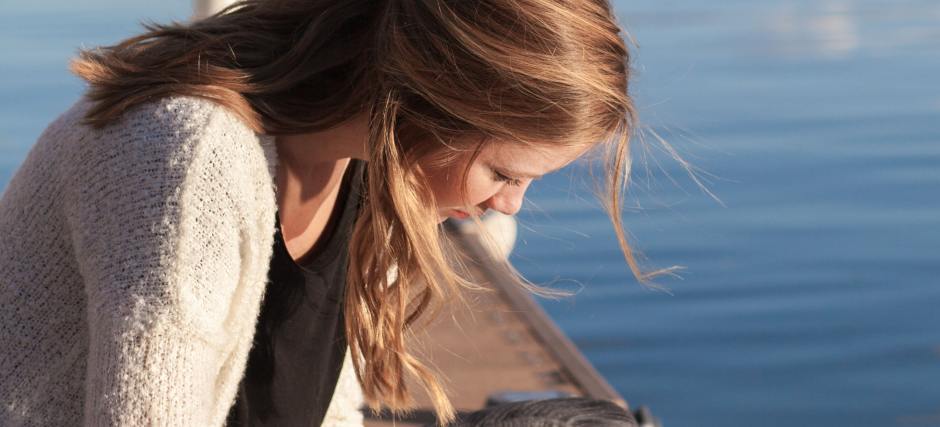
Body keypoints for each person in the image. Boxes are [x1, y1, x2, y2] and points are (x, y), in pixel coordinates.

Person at [0, 0, 652, 425]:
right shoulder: (189, 160)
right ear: (423, 101)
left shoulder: (359, 156)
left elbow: (318, 404)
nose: (507, 205)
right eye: (504, 173)